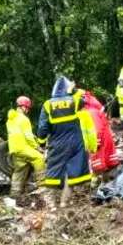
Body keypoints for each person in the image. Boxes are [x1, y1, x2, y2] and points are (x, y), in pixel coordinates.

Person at [37, 76, 97, 209]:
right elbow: (83, 100)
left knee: (53, 171)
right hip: (75, 143)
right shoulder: (73, 101)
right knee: (72, 172)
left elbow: (42, 127)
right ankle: (64, 202)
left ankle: (51, 204)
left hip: (57, 143)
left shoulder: (48, 105)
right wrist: (74, 90)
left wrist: (41, 142)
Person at [6, 96, 46, 197]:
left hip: (14, 149)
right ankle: (42, 186)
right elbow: (28, 137)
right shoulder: (23, 119)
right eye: (27, 108)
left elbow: (20, 134)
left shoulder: (10, 119)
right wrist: (36, 147)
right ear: (23, 107)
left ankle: (14, 194)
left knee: (20, 169)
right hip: (22, 147)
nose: (28, 110)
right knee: (39, 158)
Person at [82, 92, 119, 185]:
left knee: (99, 166)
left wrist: (95, 142)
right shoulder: (93, 110)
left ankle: (97, 186)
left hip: (99, 142)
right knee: (104, 166)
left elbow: (97, 129)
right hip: (104, 140)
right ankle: (105, 183)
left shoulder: (90, 112)